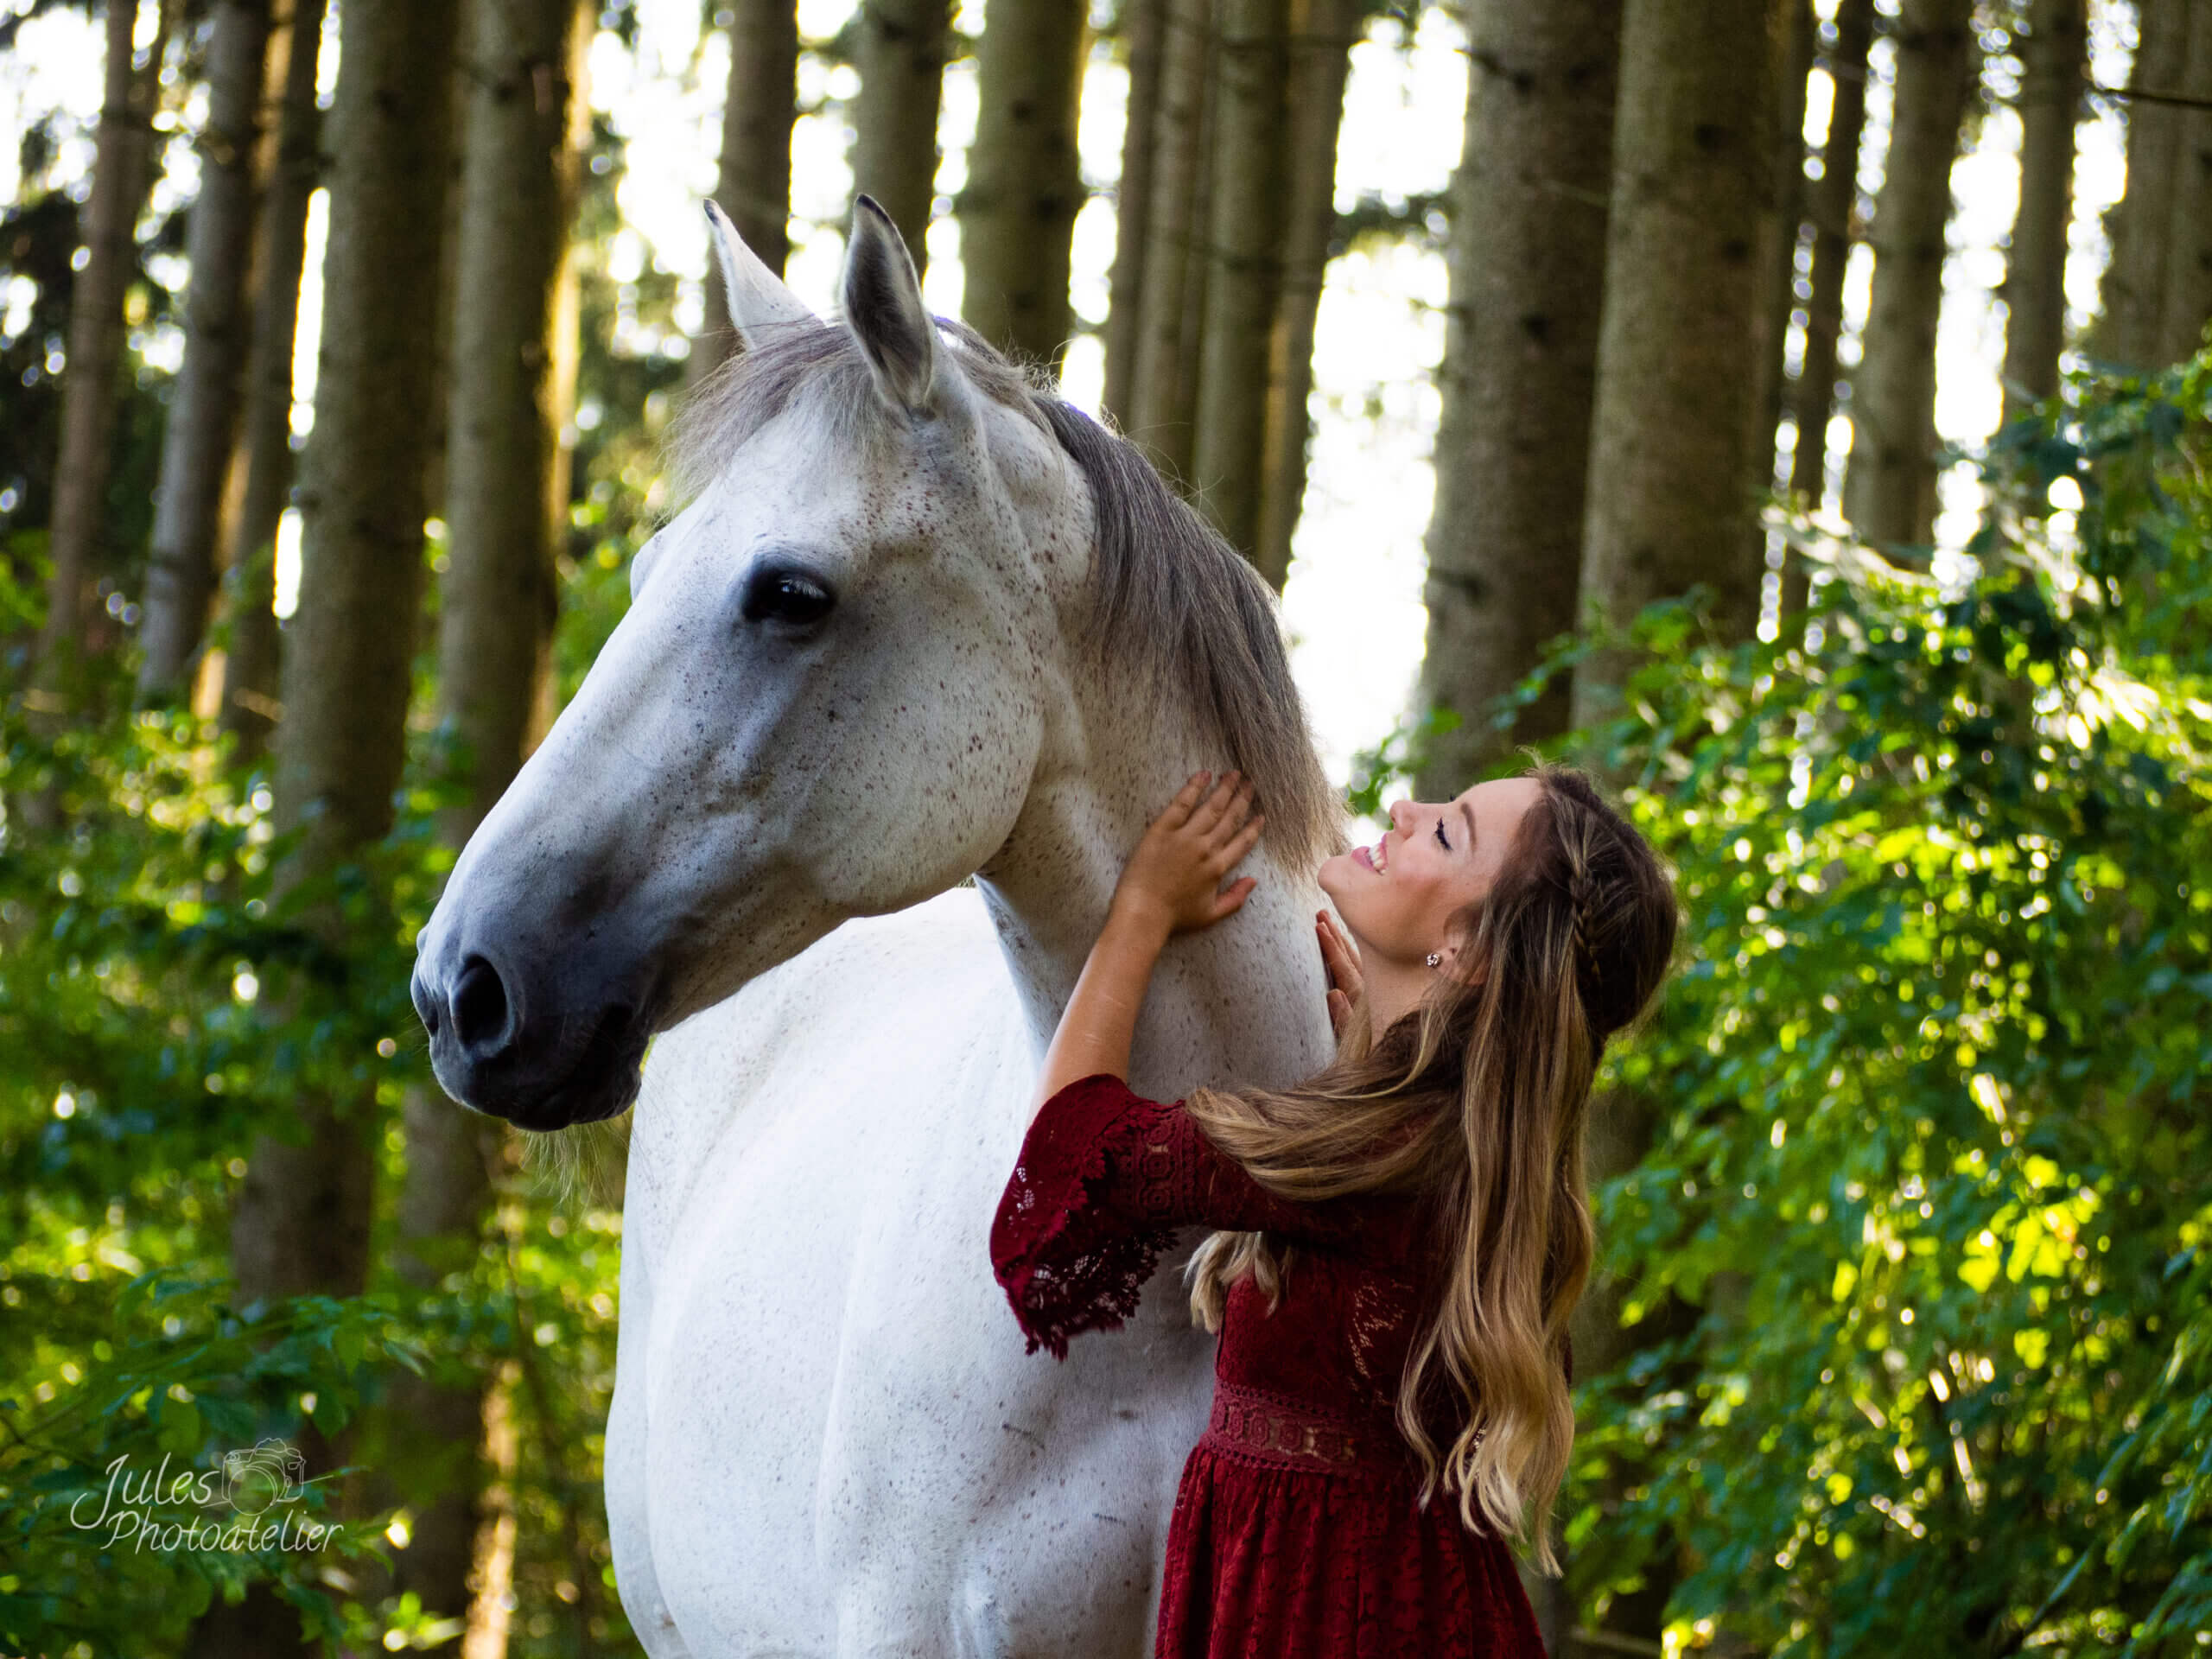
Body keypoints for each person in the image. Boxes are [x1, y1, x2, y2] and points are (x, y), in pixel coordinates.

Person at [988, 761, 1680, 1657]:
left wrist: (1139, 913)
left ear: (1466, 953)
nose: (1404, 807)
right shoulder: (1466, 1154)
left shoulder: (1382, 1153)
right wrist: (1376, 1047)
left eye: (1445, 832)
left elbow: (1073, 1148)